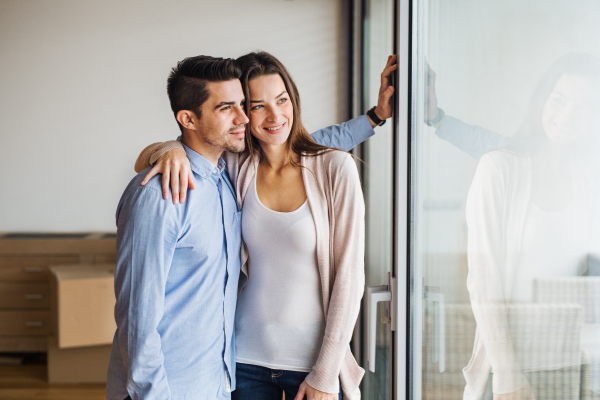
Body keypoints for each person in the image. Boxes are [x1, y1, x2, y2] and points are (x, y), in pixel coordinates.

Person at [133, 52, 397, 400]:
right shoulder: (234, 165)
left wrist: (325, 372)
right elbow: (165, 152)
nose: (275, 115)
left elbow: (349, 279)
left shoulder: (334, 169)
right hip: (242, 362)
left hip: (313, 365)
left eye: (282, 99)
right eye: (257, 105)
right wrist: (169, 149)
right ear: (243, 112)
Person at [427, 53, 600, 400]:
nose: (566, 116)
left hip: (575, 361)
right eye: (559, 99)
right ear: (543, 99)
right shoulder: (501, 168)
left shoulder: (587, 179)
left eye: (583, 106)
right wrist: (509, 376)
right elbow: (484, 282)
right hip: (511, 367)